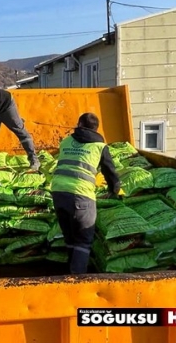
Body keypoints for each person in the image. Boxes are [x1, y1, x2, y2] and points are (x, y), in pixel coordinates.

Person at [51, 112, 122, 275]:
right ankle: (77, 279)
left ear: (79, 124)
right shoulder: (100, 146)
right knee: (83, 240)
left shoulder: (66, 141)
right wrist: (115, 189)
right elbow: (109, 170)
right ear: (96, 129)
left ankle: (69, 270)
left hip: (58, 193)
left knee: (69, 236)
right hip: (81, 195)